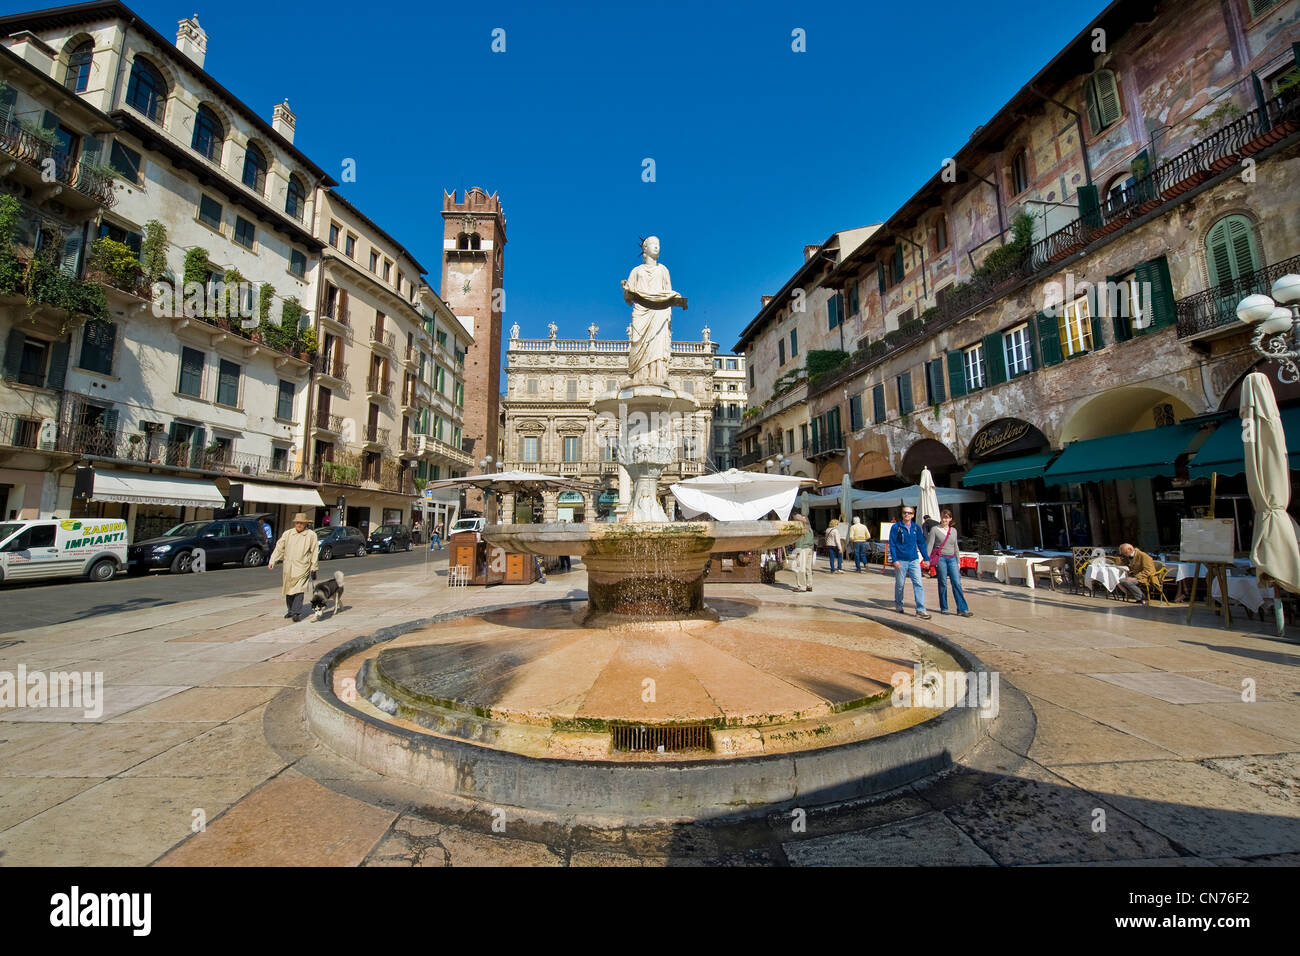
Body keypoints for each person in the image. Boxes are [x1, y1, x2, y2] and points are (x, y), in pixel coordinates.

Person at [268, 512, 319, 623]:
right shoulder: (288, 534)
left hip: (302, 566)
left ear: (306, 524)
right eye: (297, 523)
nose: (299, 525)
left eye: (301, 523)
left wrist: (314, 566)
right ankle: (290, 610)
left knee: (299, 589)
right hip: (288, 567)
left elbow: (314, 551)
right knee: (289, 589)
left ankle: (296, 612)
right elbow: (279, 548)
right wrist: (273, 560)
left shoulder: (311, 535)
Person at [928, 509, 973, 617]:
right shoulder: (934, 529)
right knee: (942, 582)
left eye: (947, 517)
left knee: (957, 583)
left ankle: (962, 609)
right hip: (941, 558)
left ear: (950, 519)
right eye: (943, 517)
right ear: (940, 518)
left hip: (952, 558)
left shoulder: (953, 531)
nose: (945, 519)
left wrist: (958, 561)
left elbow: (956, 547)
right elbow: (929, 545)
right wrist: (926, 559)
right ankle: (944, 607)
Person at [889, 506, 931, 618]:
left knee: (918, 583)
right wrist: (895, 560)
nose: (907, 515)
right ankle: (898, 604)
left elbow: (921, 543)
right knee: (900, 584)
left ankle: (920, 609)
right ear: (902, 514)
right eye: (905, 513)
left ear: (913, 515)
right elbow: (892, 544)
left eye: (909, 513)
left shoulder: (916, 528)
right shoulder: (896, 527)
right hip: (901, 560)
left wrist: (926, 558)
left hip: (914, 560)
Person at [791, 510, 815, 592]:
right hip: (809, 548)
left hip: (802, 549)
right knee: (808, 568)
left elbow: (799, 540)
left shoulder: (801, 528)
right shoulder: (809, 528)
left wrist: (797, 551)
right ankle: (809, 585)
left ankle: (801, 586)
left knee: (800, 567)